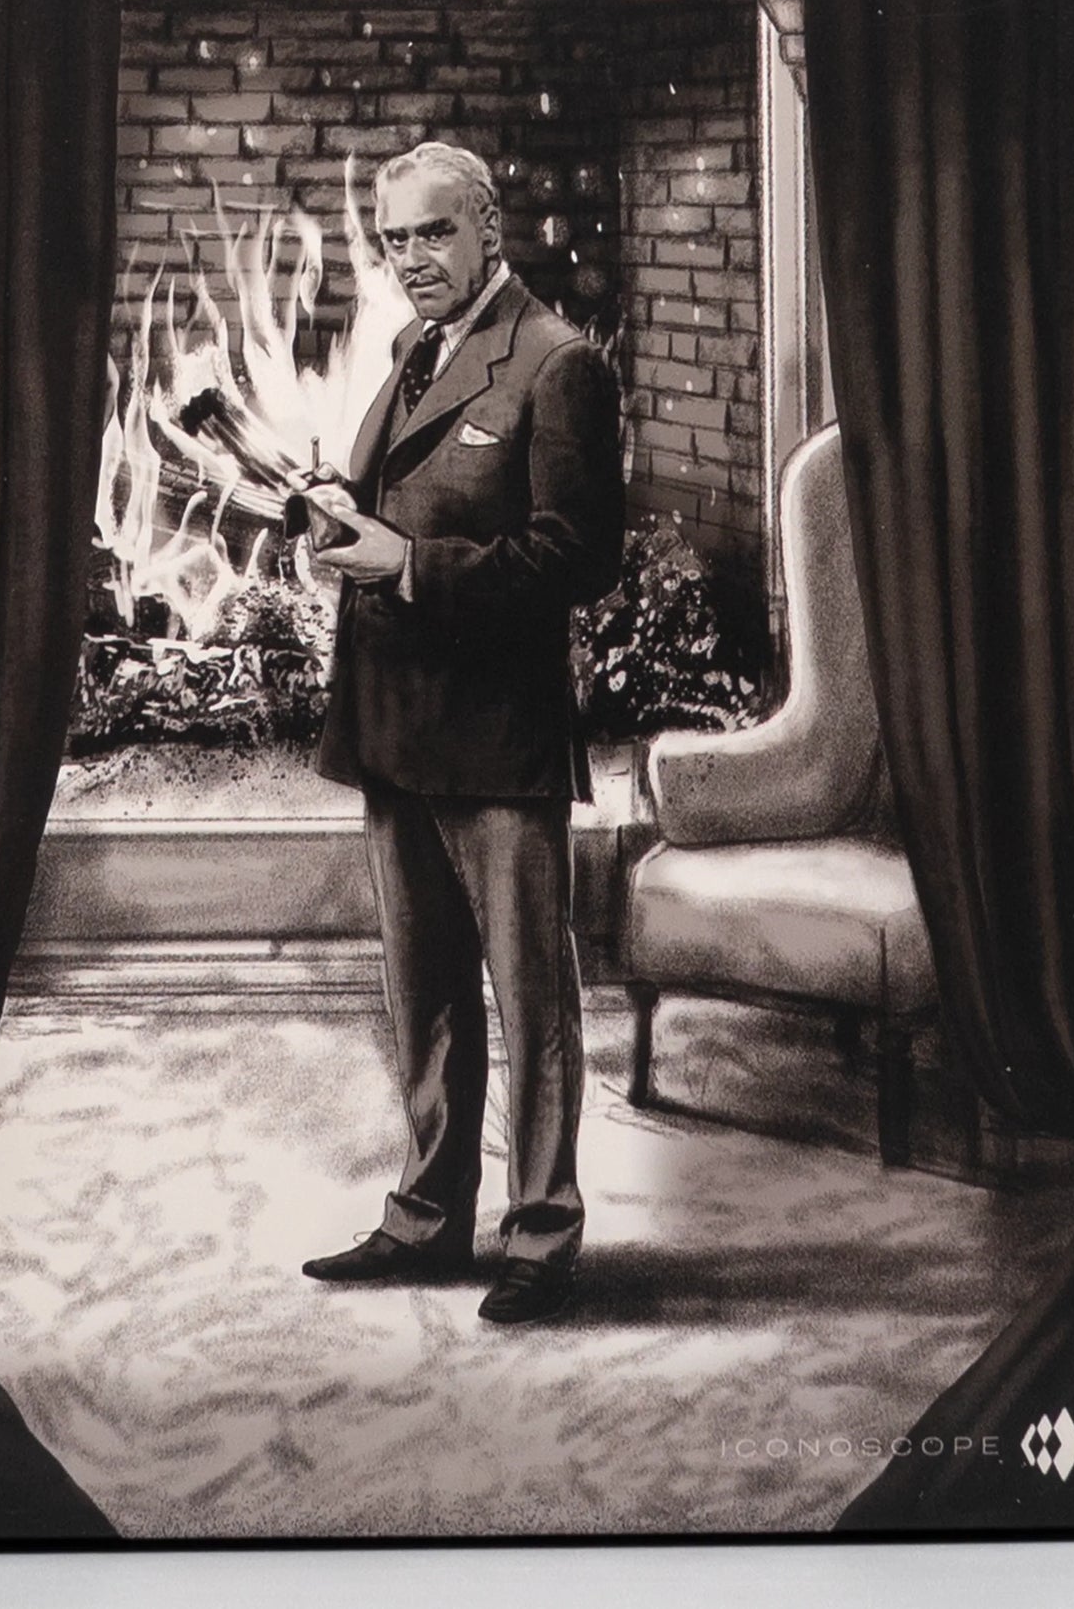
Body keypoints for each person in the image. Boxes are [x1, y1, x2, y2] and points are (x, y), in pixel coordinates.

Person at [299, 141, 624, 1325]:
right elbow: (394, 497)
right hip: (393, 721)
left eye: (432, 232)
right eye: (393, 239)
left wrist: (408, 564)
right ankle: (426, 1218)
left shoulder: (556, 362)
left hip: (494, 732)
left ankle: (540, 1233)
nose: (410, 258)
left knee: (530, 1003)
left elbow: (576, 555)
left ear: (488, 225)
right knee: (426, 994)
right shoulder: (412, 348)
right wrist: (339, 523)